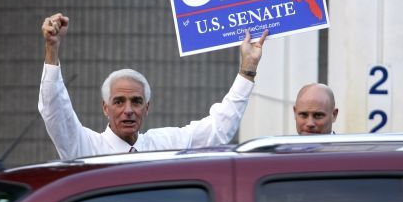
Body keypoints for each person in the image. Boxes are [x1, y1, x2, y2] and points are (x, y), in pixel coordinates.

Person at [38, 12, 268, 159]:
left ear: (146, 108)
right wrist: (52, 48)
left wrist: (247, 69)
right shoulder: (85, 148)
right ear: (105, 108)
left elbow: (218, 129)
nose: (128, 109)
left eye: (136, 101)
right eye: (119, 101)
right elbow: (55, 111)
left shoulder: (164, 145)